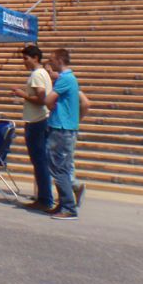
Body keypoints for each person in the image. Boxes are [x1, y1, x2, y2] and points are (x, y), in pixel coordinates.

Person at [45, 48, 87, 220]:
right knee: (62, 167)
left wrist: (50, 106)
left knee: (58, 168)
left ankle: (69, 207)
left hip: (61, 128)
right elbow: (84, 104)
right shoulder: (71, 79)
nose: (50, 63)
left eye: (52, 60)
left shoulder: (65, 79)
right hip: (66, 127)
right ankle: (63, 203)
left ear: (60, 60)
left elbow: (48, 100)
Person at [11, 44, 53, 211]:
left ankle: (44, 199)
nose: (24, 62)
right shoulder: (43, 73)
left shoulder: (37, 75)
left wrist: (22, 94)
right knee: (41, 161)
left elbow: (41, 99)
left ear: (35, 58)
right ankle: (44, 196)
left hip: (37, 121)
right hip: (41, 120)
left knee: (39, 161)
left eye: (26, 58)